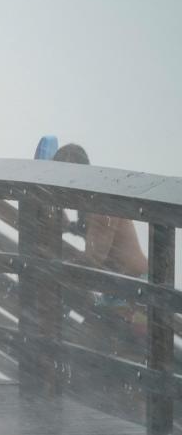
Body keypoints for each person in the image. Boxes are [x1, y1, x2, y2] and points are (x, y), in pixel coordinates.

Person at [48, 143, 148, 351]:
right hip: (123, 290)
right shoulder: (91, 200)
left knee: (92, 348)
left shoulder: (100, 205)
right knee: (91, 347)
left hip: (134, 295)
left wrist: (56, 271)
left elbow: (93, 259)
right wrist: (70, 226)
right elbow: (94, 236)